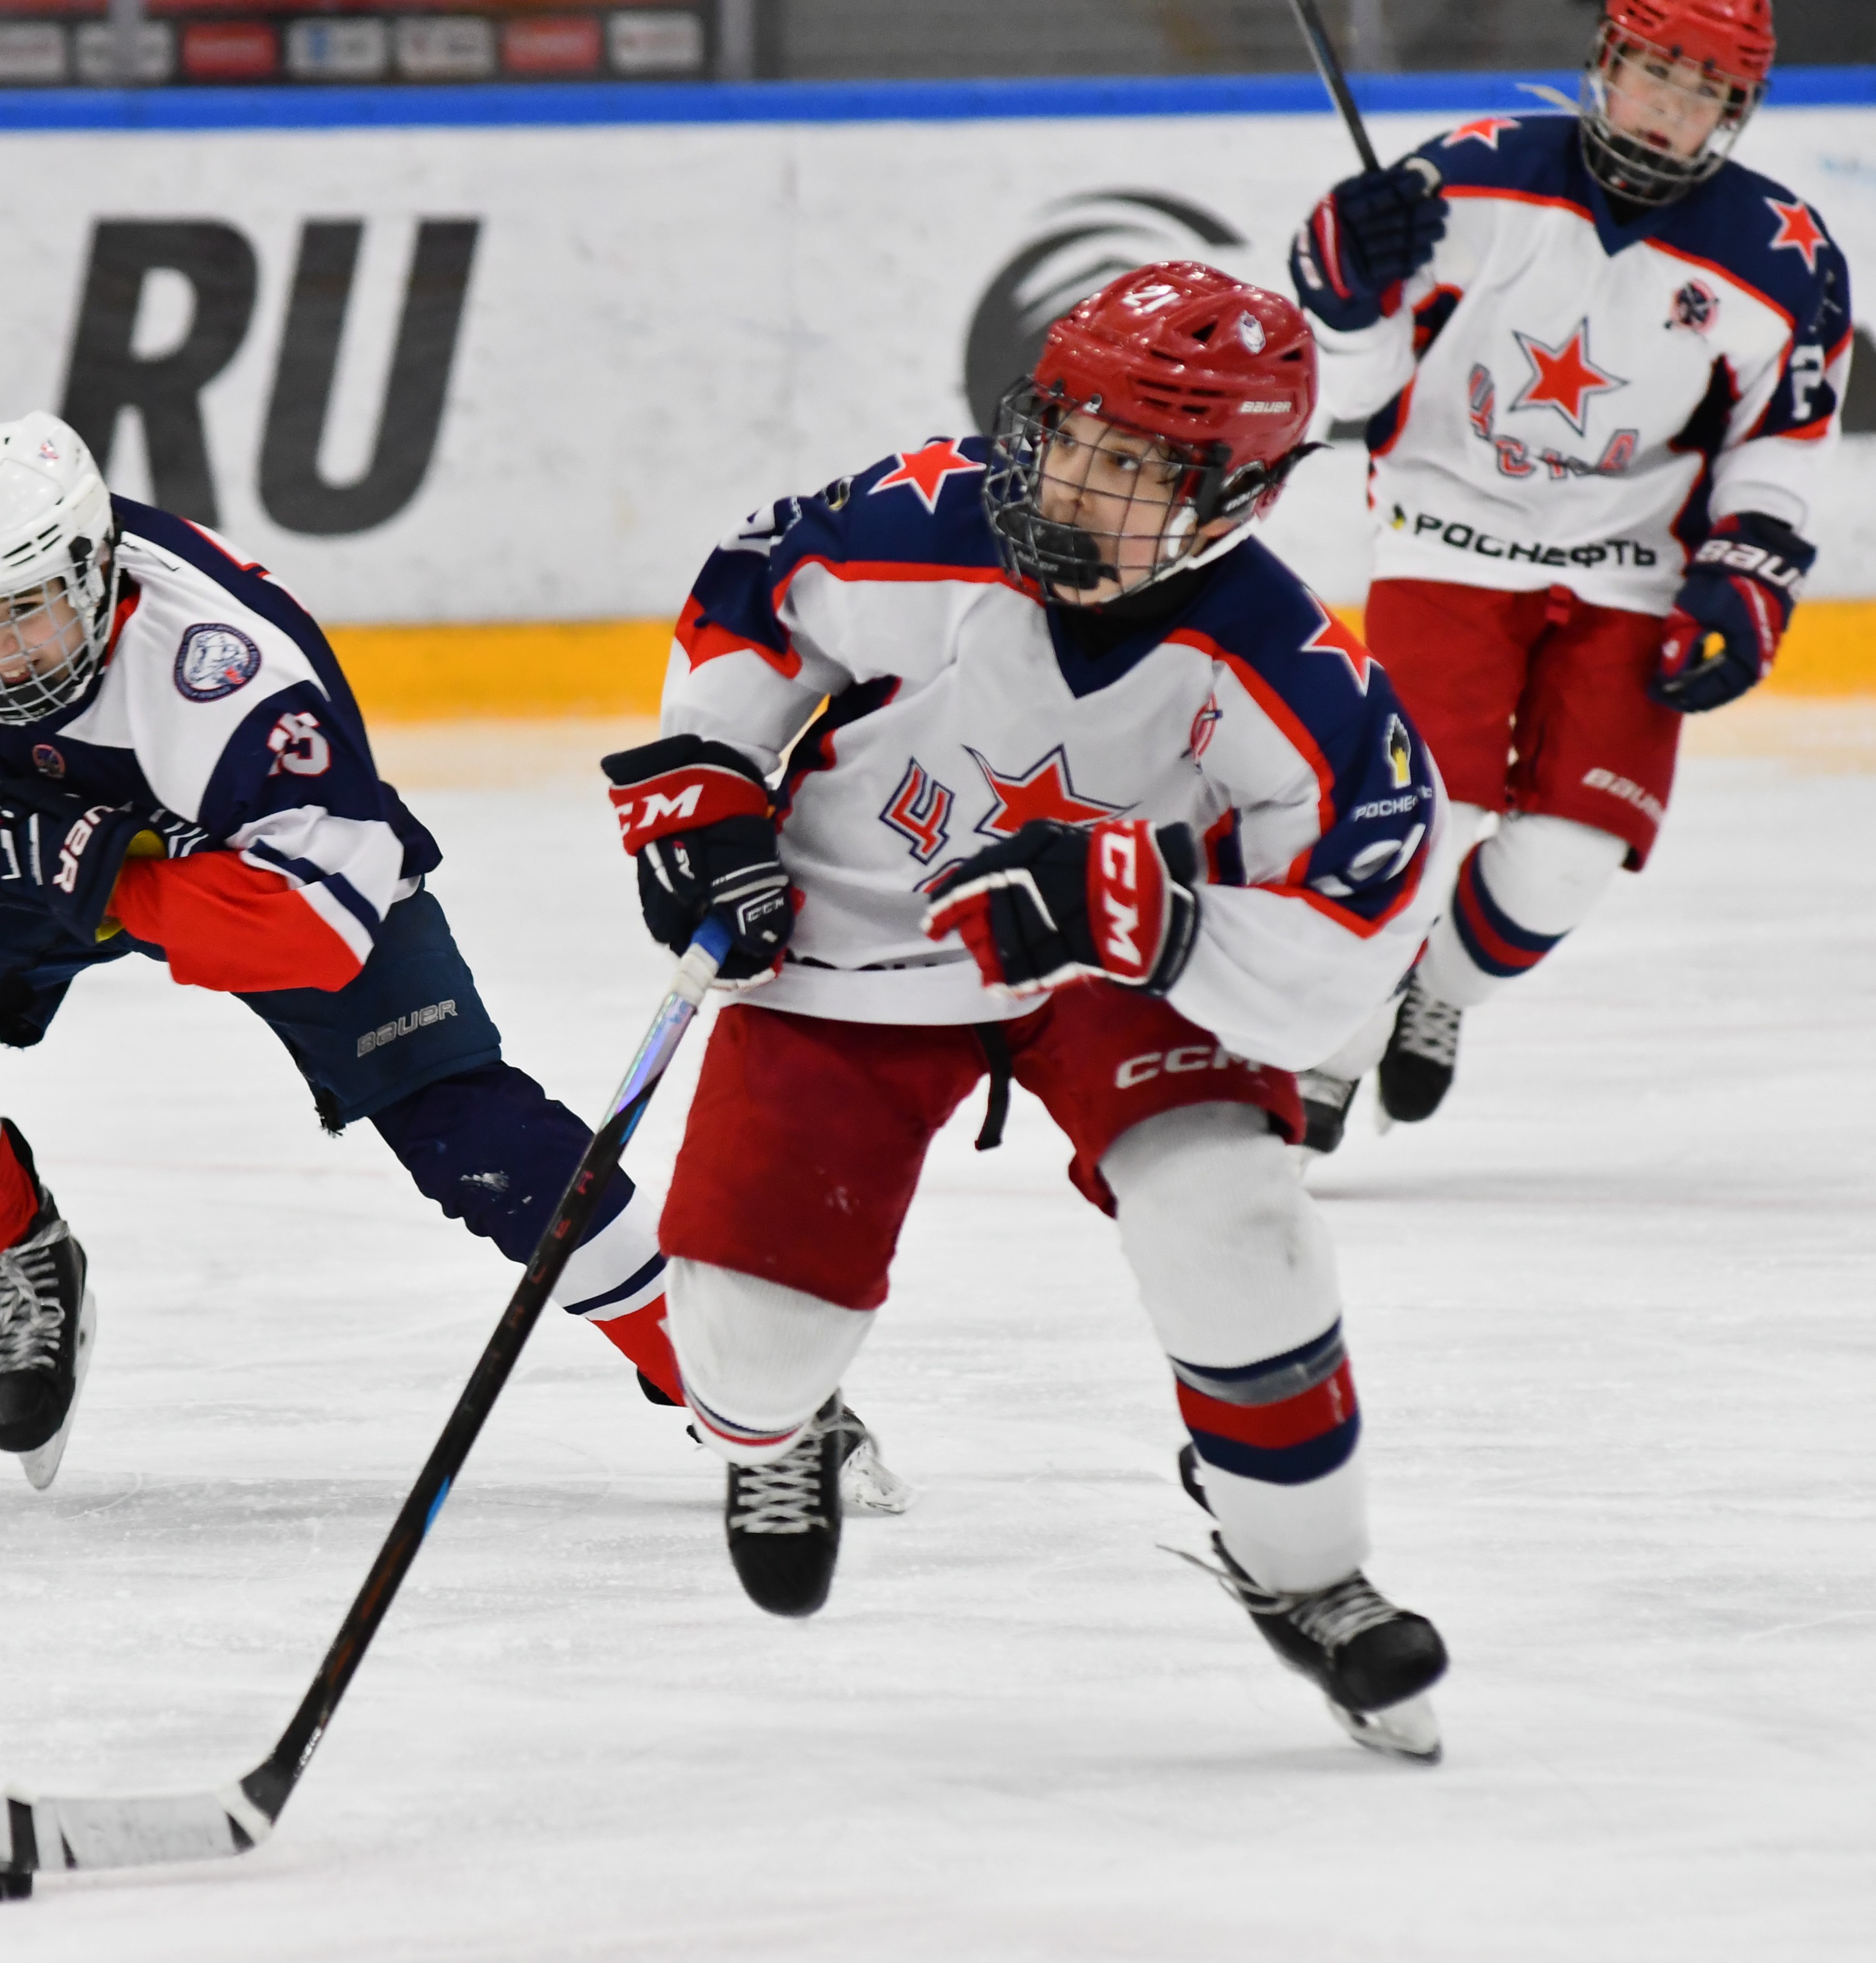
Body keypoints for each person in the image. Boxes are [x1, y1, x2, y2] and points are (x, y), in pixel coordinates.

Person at [0, 410, 907, 1502]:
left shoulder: (232, 679)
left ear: (98, 574)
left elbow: (315, 930)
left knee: (477, 1141)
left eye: (26, 615)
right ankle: (22, 1255)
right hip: (49, 823)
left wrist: (106, 886)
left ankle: (748, 1393)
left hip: (263, 866)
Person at [600, 262, 1452, 1759]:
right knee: (739, 1355)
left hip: (1111, 973)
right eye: (1066, 432)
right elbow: (744, 609)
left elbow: (1352, 924)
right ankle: (776, 1433)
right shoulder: (913, 520)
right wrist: (712, 788)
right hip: (851, 944)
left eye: (1131, 463)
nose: (1071, 480)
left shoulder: (1284, 665)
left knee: (1236, 1224)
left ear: (1231, 492)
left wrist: (1165, 915)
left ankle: (1304, 1572)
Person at [1288, 0, 1848, 1146]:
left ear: (1737, 112)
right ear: (1605, 65)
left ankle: (1433, 995)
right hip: (1445, 539)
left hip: (1633, 578)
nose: (1670, 109)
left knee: (1563, 866)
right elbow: (1350, 395)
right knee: (1417, 820)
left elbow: (1777, 449)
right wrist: (1341, 295)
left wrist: (1744, 581)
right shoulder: (1476, 177)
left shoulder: (1783, 256)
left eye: (1704, 92)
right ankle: (1333, 1051)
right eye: (1655, 74)